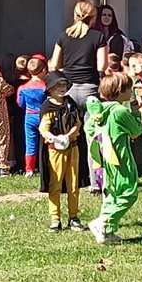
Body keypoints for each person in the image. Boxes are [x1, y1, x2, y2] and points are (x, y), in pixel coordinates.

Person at [49, 0, 108, 190]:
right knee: (93, 138)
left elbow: (54, 64)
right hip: (91, 90)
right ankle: (96, 183)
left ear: (75, 15)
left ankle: (65, 180)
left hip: (69, 90)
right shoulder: (98, 37)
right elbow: (102, 65)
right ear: (93, 17)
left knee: (68, 135)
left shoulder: (63, 36)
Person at [86, 73, 142, 244]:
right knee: (128, 193)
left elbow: (89, 129)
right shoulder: (120, 111)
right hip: (120, 158)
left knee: (111, 194)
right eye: (129, 88)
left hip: (104, 159)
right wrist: (136, 112)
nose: (131, 91)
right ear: (120, 91)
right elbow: (136, 131)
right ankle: (103, 223)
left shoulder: (99, 110)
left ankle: (108, 232)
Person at [38, 72, 85, 233]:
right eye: (58, 85)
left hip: (73, 148)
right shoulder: (47, 107)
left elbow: (77, 123)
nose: (62, 88)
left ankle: (74, 217)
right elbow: (43, 128)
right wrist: (55, 138)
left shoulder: (70, 103)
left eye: (64, 85)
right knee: (55, 183)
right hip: (55, 151)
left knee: (73, 183)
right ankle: (55, 218)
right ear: (50, 89)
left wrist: (68, 136)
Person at [17, 55, 48, 177]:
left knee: (30, 143)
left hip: (29, 117)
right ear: (43, 70)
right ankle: (45, 166)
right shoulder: (46, 87)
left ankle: (29, 169)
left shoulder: (23, 88)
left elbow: (20, 104)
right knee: (47, 141)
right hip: (44, 117)